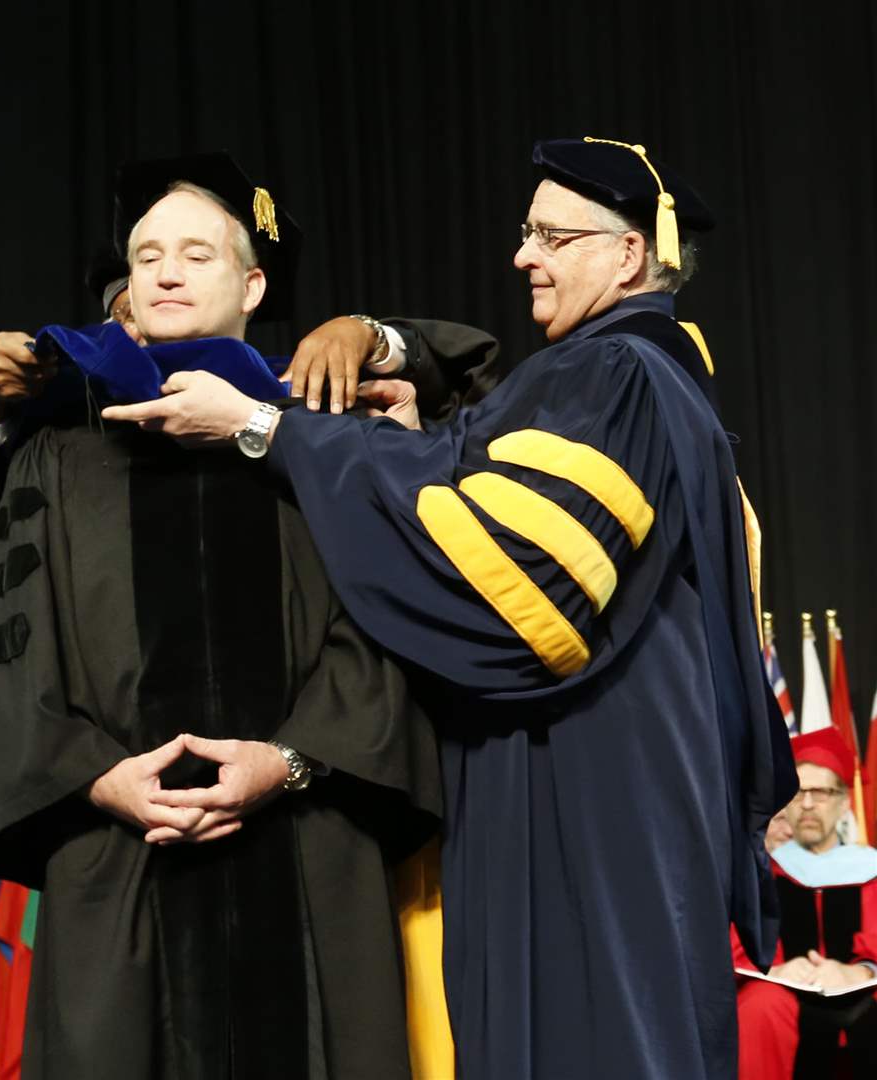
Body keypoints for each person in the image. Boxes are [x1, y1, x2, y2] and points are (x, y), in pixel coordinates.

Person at [103, 136, 798, 1079]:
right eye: (526, 232)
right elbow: (500, 498)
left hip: (587, 777)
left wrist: (263, 427)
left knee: (592, 1034)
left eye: (553, 235)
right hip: (608, 767)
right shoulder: (632, 378)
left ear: (629, 254)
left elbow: (517, 586)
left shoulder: (616, 375)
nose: (524, 256)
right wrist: (428, 445)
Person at [0, 154, 441, 1078]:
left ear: (254, 284)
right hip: (120, 852)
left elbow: (390, 625)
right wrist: (92, 777)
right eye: (147, 253)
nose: (165, 269)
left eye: (196, 252)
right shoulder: (59, 457)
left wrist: (290, 759)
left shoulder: (318, 436)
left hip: (307, 846)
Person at [735, 728, 877, 1078]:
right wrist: (775, 971)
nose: (808, 805)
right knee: (758, 1006)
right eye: (798, 794)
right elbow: (738, 948)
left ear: (844, 803)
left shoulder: (870, 869)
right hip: (786, 997)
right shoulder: (761, 873)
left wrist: (860, 971)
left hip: (863, 991)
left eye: (822, 793)